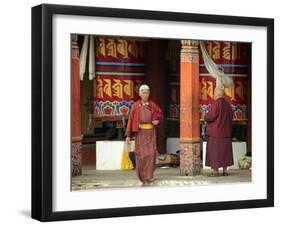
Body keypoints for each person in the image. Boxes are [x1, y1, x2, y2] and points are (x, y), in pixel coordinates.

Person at [125, 84, 163, 186]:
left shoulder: (152, 105)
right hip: (140, 133)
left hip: (151, 133)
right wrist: (128, 135)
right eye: (143, 92)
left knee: (151, 155)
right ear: (140, 94)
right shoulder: (136, 106)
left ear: (149, 93)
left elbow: (159, 113)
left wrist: (157, 120)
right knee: (141, 156)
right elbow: (130, 120)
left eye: (147, 92)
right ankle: (141, 178)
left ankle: (149, 176)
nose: (145, 95)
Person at [204, 87, 234, 177]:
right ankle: (225, 171)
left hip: (215, 134)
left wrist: (205, 116)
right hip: (226, 133)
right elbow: (231, 116)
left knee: (215, 153)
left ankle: (215, 172)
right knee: (225, 153)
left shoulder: (216, 104)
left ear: (217, 94)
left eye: (214, 93)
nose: (213, 95)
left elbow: (210, 117)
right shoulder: (228, 105)